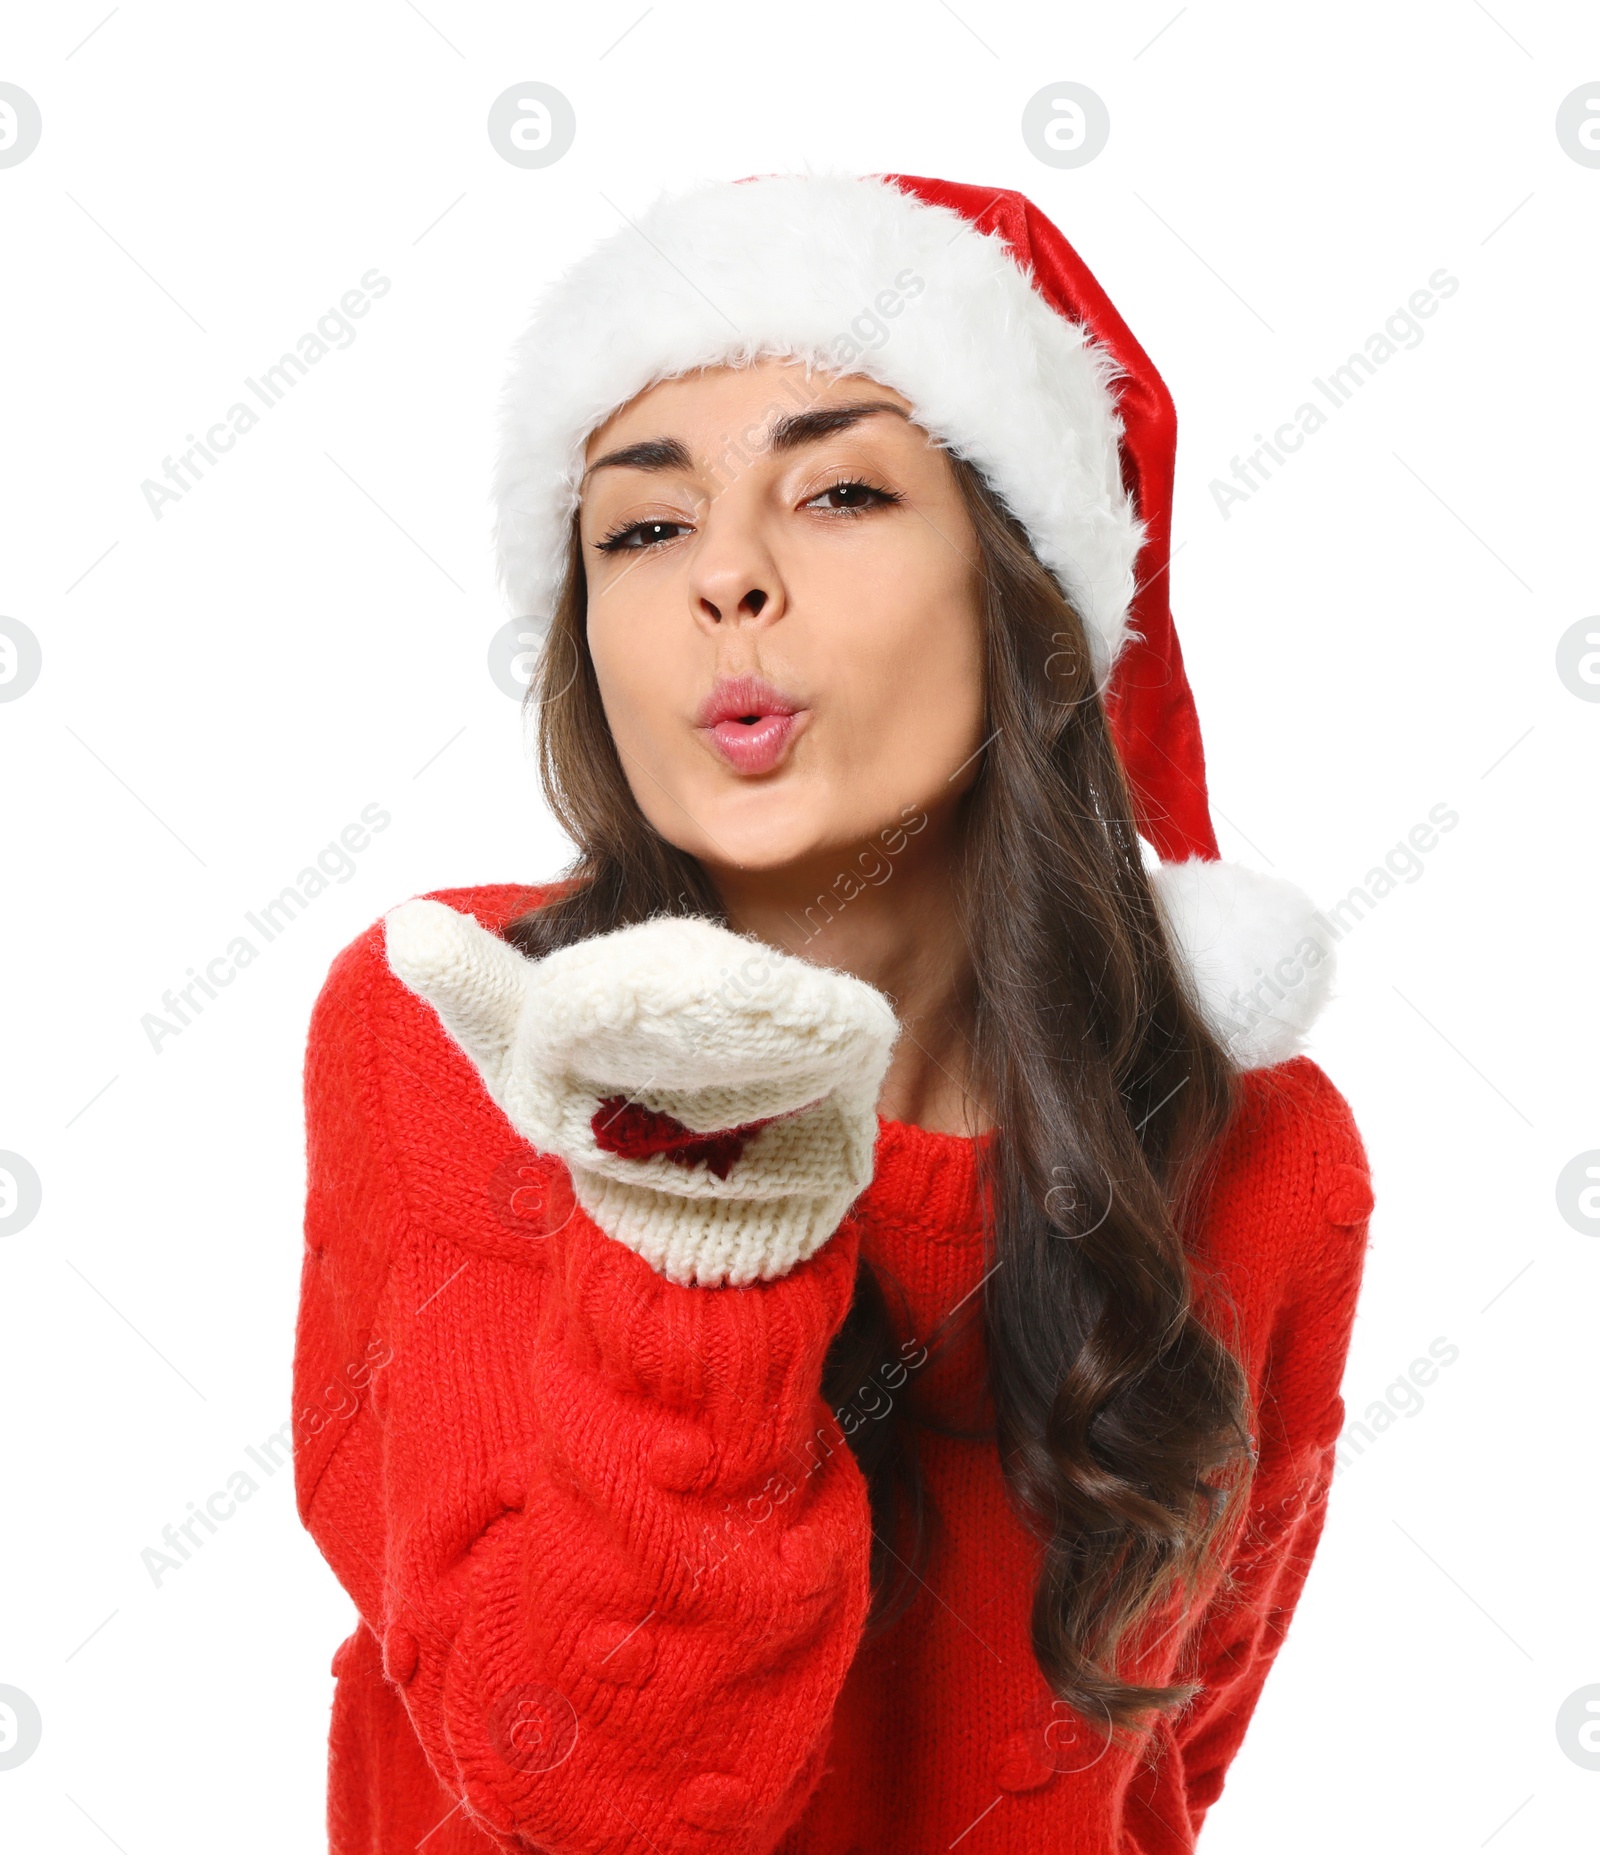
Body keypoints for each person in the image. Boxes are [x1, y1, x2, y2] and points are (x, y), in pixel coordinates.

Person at [292, 172, 1375, 1854]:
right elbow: (590, 1794)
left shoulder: (1269, 1156)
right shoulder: (465, 1038)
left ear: (1024, 600)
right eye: (641, 529)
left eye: (841, 492)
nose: (725, 573)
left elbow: (1164, 1751)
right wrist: (694, 1223)